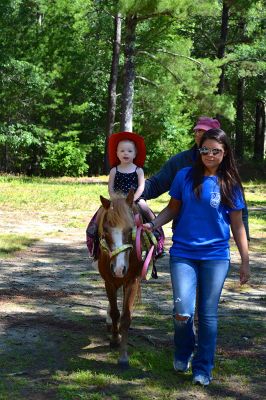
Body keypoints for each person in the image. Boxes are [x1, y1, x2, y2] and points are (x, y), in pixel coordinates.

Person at [143, 128, 250, 386]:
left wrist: (245, 261)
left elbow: (238, 225)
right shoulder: (184, 176)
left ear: (225, 153)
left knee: (208, 314)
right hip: (183, 254)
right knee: (182, 311)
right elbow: (172, 208)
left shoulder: (230, 183)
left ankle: (203, 368)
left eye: (216, 151)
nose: (210, 155)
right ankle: (183, 352)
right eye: (206, 150)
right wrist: (153, 224)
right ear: (199, 150)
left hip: (215, 257)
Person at [142, 116, 250, 240]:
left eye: (204, 131)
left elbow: (240, 210)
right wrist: (135, 192)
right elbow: (156, 184)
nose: (199, 134)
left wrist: (245, 238)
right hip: (183, 235)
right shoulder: (180, 161)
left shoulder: (225, 167)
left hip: (215, 243)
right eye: (197, 130)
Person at [86, 131, 164, 261]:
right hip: (116, 201)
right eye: (122, 151)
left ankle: (156, 235)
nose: (125, 153)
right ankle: (94, 237)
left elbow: (141, 187)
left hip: (135, 199)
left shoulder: (138, 170)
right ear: (116, 153)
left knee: (145, 209)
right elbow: (110, 187)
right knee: (100, 213)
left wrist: (133, 199)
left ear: (135, 154)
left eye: (129, 151)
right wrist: (115, 200)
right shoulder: (114, 170)